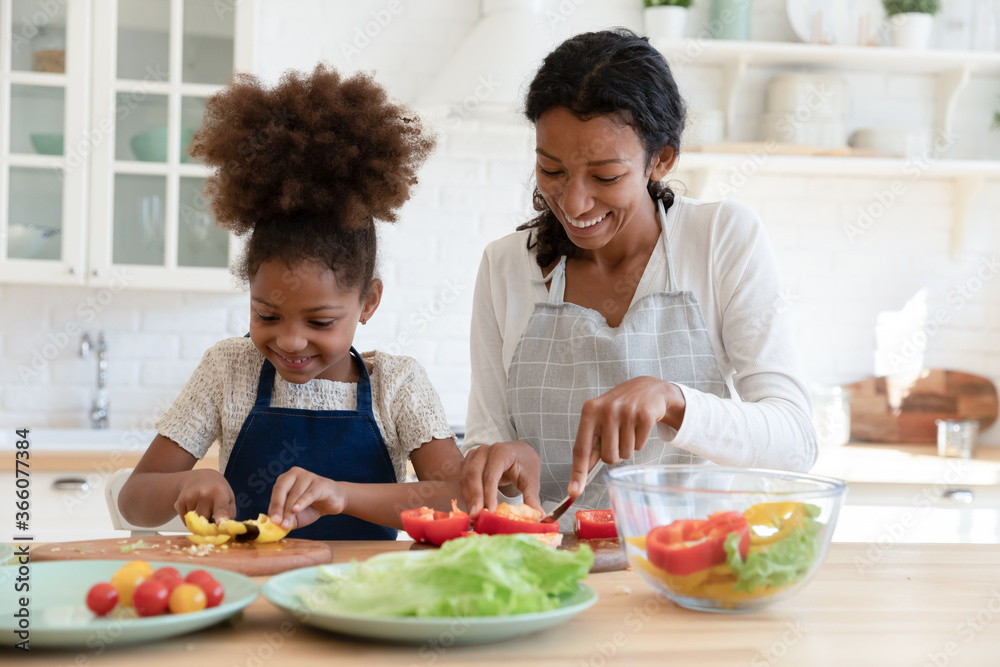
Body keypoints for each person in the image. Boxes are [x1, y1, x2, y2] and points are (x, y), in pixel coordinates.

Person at [460, 29, 817, 528]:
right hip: (548, 568)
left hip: (691, 561)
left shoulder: (719, 238)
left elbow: (795, 441)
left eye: (606, 177)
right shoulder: (505, 266)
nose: (575, 202)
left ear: (662, 160)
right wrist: (499, 462)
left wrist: (673, 401)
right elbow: (485, 443)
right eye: (552, 170)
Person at [119, 65, 462, 540]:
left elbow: (458, 501)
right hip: (248, 592)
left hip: (365, 601)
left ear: (369, 302)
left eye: (320, 321)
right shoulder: (228, 369)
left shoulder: (398, 386)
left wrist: (343, 495)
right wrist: (188, 482)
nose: (290, 339)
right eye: (267, 314)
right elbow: (135, 500)